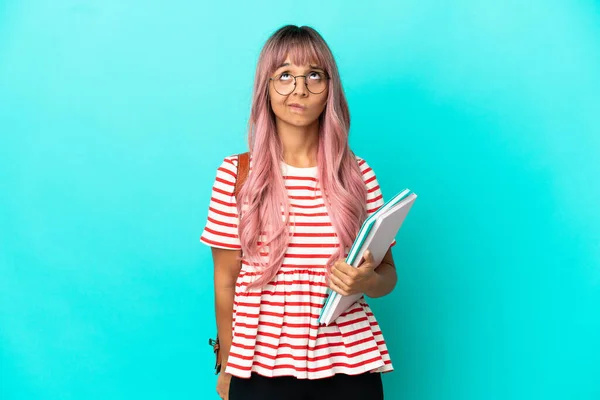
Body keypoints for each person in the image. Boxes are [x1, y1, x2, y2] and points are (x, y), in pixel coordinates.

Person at [200, 25, 397, 400]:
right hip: (259, 362)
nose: (300, 89)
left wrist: (364, 283)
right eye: (285, 75)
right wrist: (227, 364)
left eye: (313, 76)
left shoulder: (359, 175)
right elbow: (225, 280)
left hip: (349, 361)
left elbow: (387, 276)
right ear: (266, 87)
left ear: (330, 89)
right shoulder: (236, 174)